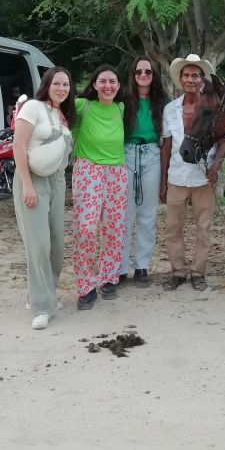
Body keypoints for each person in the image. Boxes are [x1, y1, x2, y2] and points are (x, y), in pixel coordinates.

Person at [11, 67, 75, 330]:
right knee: (38, 244)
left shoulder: (61, 116)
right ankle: (41, 306)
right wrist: (27, 184)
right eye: (57, 83)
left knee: (56, 244)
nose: (62, 88)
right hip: (33, 179)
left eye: (66, 85)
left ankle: (43, 294)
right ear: (47, 84)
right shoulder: (33, 108)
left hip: (56, 181)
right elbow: (18, 145)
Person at [160, 54, 225, 291]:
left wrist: (216, 166)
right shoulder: (170, 109)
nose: (191, 80)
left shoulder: (212, 106)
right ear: (180, 79)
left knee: (203, 227)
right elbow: (167, 146)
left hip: (203, 178)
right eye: (186, 75)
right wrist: (163, 181)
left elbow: (224, 141)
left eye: (195, 75)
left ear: (202, 80)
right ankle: (178, 271)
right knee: (173, 227)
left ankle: (199, 272)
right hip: (177, 177)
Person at [71, 65, 128, 310]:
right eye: (103, 81)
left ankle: (107, 278)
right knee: (86, 228)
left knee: (114, 228)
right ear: (94, 84)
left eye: (112, 81)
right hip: (88, 170)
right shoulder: (82, 105)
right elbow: (53, 105)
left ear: (118, 85)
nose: (108, 86)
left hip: (117, 171)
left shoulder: (121, 107)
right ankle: (85, 286)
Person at [120, 57, 168, 288]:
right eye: (138, 71)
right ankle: (119, 267)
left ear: (153, 75)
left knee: (147, 215)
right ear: (133, 74)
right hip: (127, 154)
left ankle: (141, 266)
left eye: (147, 71)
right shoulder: (123, 100)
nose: (143, 75)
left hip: (151, 155)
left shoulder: (161, 102)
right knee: (125, 214)